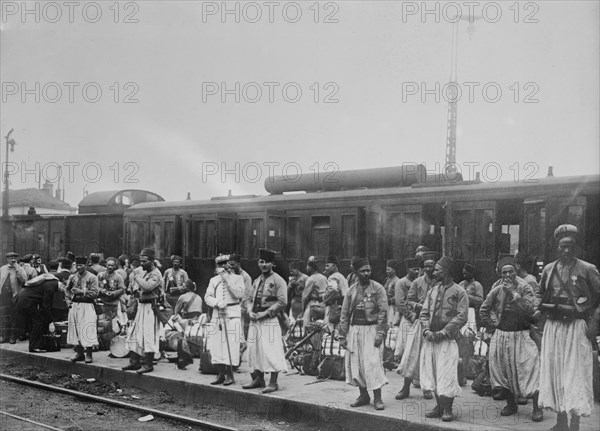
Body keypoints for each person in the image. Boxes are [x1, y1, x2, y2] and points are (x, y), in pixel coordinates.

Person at [536, 225, 600, 431]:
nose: (566, 251)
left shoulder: (587, 269)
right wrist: (537, 309)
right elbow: (539, 292)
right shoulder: (549, 269)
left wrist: (593, 323)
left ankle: (575, 424)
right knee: (555, 373)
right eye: (563, 246)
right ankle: (560, 422)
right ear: (557, 247)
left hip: (576, 327)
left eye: (570, 246)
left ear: (576, 247)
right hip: (554, 327)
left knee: (575, 375)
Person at [480, 256, 543, 422]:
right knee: (503, 370)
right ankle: (511, 403)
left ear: (516, 271)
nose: (507, 275)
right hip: (502, 335)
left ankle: (537, 407)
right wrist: (495, 324)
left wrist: (514, 294)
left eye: (510, 272)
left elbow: (531, 310)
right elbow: (484, 309)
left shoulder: (525, 287)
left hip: (522, 334)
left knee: (529, 369)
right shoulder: (496, 288)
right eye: (504, 272)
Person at [419, 255, 468, 422]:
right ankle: (438, 406)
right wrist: (425, 330)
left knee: (446, 374)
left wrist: (444, 332)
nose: (434, 272)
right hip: (430, 339)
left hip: (447, 339)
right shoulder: (432, 291)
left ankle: (448, 408)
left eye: (438, 270)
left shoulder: (460, 292)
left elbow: (462, 316)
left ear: (446, 272)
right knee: (432, 372)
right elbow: (424, 313)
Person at [338, 257, 388, 410]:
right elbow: (344, 314)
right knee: (357, 364)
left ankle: (377, 397)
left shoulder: (378, 288)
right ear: (356, 272)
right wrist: (342, 335)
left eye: (368, 270)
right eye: (363, 271)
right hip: (355, 330)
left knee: (372, 363)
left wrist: (380, 333)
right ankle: (363, 395)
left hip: (372, 330)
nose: (367, 273)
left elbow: (383, 312)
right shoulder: (351, 290)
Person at [243, 248, 288, 394]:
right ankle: (258, 379)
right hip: (255, 320)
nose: (264, 265)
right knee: (254, 349)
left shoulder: (278, 280)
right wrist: (250, 310)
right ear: (258, 263)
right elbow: (249, 299)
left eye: (267, 262)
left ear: (272, 264)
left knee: (271, 350)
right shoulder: (256, 280)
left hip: (269, 320)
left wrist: (265, 313)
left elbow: (282, 301)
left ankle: (273, 382)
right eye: (261, 262)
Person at [395, 253, 437, 400]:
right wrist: (418, 306)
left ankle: (427, 388)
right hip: (419, 322)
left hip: (435, 325)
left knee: (430, 357)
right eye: (425, 266)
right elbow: (409, 300)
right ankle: (405, 388)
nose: (428, 269)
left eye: (431, 266)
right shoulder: (417, 282)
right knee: (411, 355)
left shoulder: (440, 282)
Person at [204, 254, 244, 386]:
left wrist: (227, 279)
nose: (222, 267)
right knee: (217, 346)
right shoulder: (213, 280)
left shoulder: (238, 278)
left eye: (225, 264)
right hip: (217, 315)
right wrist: (216, 302)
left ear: (229, 265)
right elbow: (207, 297)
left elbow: (238, 294)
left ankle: (230, 374)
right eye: (219, 265)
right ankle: (220, 374)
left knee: (231, 346)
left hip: (232, 315)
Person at [122, 248, 164, 374]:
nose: (142, 264)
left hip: (151, 308)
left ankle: (148, 364)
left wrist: (137, 276)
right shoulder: (145, 272)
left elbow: (146, 287)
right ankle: (134, 362)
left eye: (144, 261)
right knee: (134, 333)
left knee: (148, 336)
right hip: (141, 306)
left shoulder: (156, 274)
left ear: (152, 261)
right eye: (141, 261)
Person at [14, 272, 63, 352]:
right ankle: (34, 347)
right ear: (63, 284)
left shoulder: (50, 282)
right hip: (27, 302)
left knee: (36, 321)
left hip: (23, 300)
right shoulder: (51, 287)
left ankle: (36, 344)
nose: (62, 291)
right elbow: (46, 305)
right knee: (38, 322)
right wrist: (50, 321)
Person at [393, 257, 420, 396]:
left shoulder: (420, 282)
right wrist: (410, 316)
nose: (416, 271)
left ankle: (423, 385)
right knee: (408, 353)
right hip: (408, 320)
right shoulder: (401, 283)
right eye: (413, 269)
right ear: (407, 269)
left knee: (420, 352)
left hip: (421, 320)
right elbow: (400, 302)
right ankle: (406, 387)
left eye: (417, 269)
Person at [66, 256, 99, 363]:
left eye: (81, 265)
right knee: (76, 328)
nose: (79, 267)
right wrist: (67, 299)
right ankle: (79, 353)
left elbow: (95, 293)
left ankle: (89, 354)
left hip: (87, 305)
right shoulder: (72, 277)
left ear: (86, 265)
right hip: (75, 305)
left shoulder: (92, 277)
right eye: (77, 265)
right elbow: (67, 290)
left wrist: (81, 291)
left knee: (87, 328)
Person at [0, 252, 27, 344]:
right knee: (4, 317)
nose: (13, 260)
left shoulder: (20, 269)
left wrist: (17, 269)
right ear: (7, 259)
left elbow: (24, 281)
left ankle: (13, 337)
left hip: (15, 296)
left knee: (14, 317)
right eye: (11, 258)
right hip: (3, 296)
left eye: (14, 258)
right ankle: (5, 336)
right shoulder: (2, 269)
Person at [228, 253, 253, 341]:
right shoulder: (228, 275)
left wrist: (239, 310)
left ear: (239, 264)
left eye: (233, 264)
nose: (230, 267)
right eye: (229, 264)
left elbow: (246, 296)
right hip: (228, 309)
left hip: (239, 311)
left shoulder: (246, 277)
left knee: (239, 334)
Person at [97, 257, 127, 326]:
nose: (110, 267)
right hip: (103, 302)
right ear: (106, 265)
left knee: (115, 322)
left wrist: (114, 293)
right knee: (103, 322)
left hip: (114, 302)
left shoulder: (118, 277)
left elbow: (122, 288)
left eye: (112, 265)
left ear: (115, 266)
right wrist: (101, 290)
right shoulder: (100, 275)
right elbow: (95, 286)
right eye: (109, 265)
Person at [323, 255, 349, 332]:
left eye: (327, 265)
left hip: (335, 308)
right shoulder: (342, 277)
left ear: (334, 266)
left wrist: (325, 299)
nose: (325, 268)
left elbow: (333, 289)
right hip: (343, 307)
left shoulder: (332, 277)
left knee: (331, 333)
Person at [302, 256, 327, 330]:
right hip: (324, 305)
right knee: (321, 328)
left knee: (307, 327)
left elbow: (305, 297)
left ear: (310, 267)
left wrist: (303, 310)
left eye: (307, 266)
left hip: (313, 305)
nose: (306, 268)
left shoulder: (311, 279)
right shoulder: (323, 277)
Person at [458, 263, 484, 332]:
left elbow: (480, 300)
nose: (464, 276)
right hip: (460, 312)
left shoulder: (477, 285)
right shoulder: (461, 284)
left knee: (470, 333)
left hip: (472, 312)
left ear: (471, 273)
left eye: (466, 274)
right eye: (463, 274)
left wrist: (467, 296)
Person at [383, 259, 402, 327]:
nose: (387, 271)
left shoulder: (397, 281)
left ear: (394, 270)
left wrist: (389, 300)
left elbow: (398, 296)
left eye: (389, 269)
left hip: (393, 307)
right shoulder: (386, 280)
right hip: (386, 306)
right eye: (386, 269)